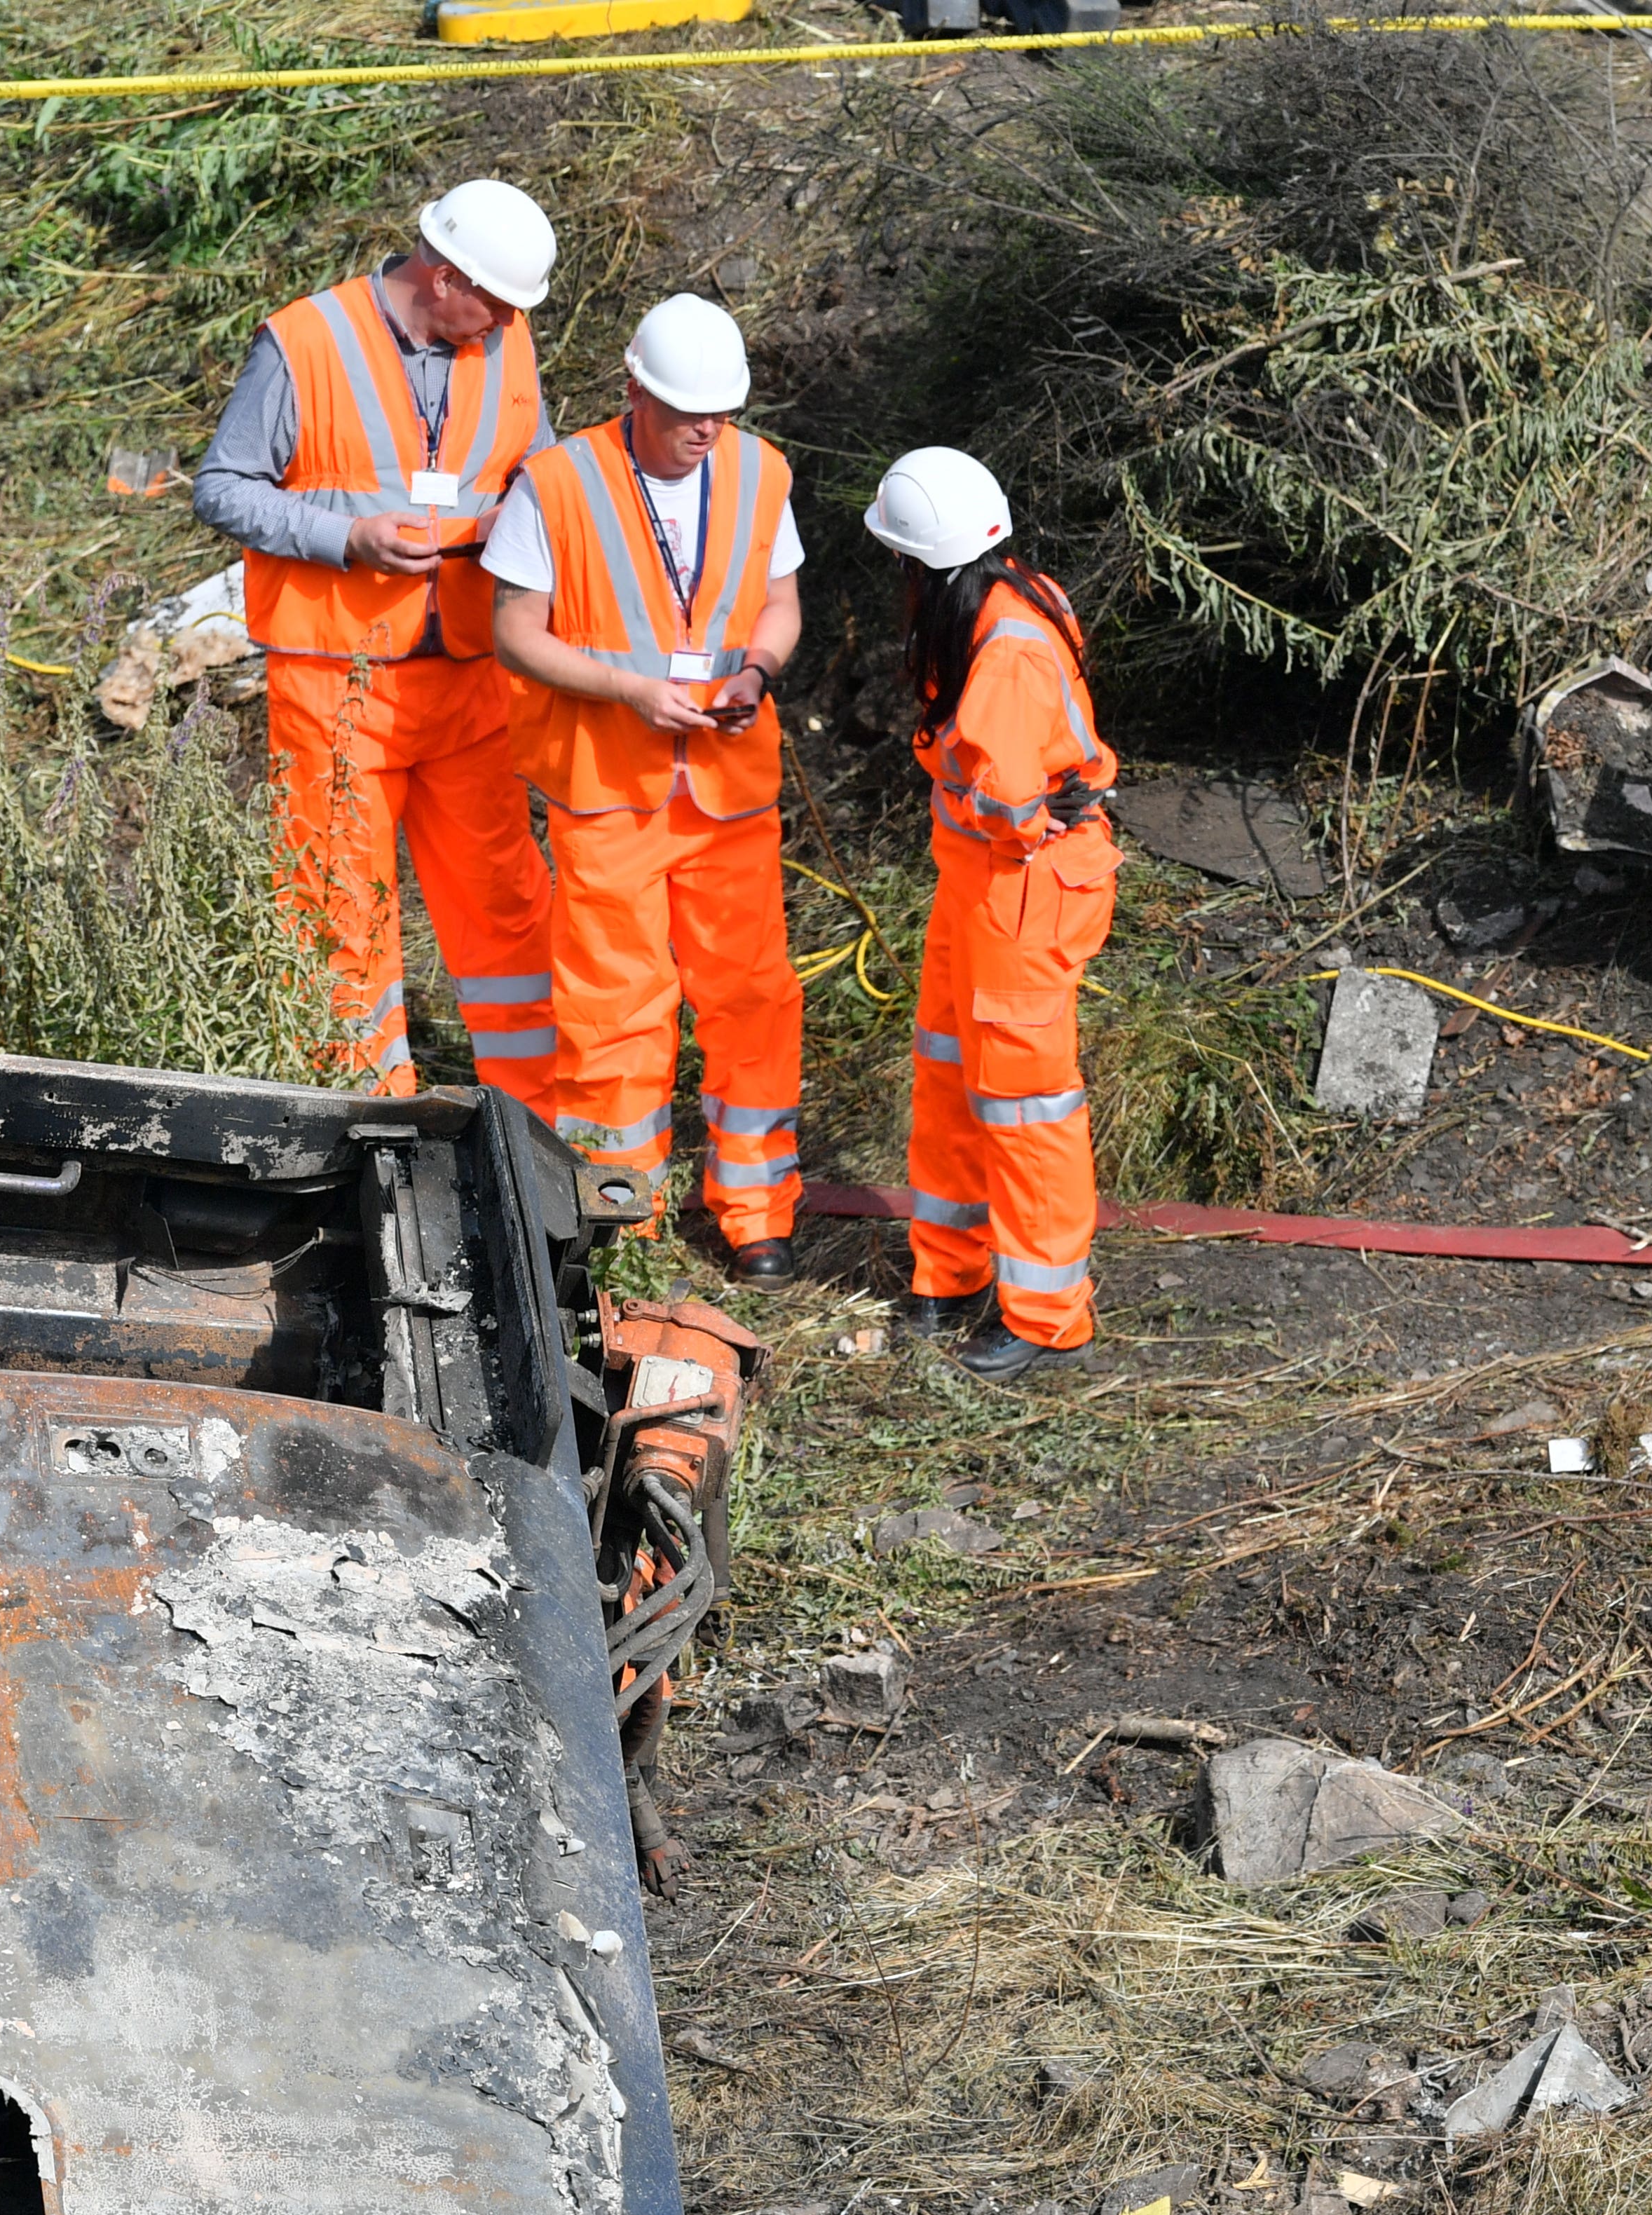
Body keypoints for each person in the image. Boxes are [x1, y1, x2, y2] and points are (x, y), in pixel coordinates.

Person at [193, 179, 561, 1114]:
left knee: (508, 903)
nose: (506, 324)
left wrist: (523, 526)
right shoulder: (304, 342)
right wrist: (347, 539)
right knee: (336, 912)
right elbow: (224, 487)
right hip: (336, 688)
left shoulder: (507, 338)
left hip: (468, 684)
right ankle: (362, 1121)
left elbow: (540, 473)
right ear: (444, 278)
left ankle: (535, 1122)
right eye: (495, 304)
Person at [482, 294, 806, 1277]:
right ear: (634, 390)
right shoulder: (557, 484)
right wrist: (629, 690)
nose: (706, 431)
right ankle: (621, 1219)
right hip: (606, 789)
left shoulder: (760, 472)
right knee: (612, 1009)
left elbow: (781, 605)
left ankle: (759, 1211)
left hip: (727, 788)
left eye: (720, 413)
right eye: (685, 413)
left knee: (753, 997)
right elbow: (515, 633)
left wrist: (757, 674)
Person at [861, 446, 1119, 1379]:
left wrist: (983, 802)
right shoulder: (1006, 602)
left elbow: (1010, 807)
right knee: (949, 1074)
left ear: (915, 563)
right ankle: (952, 1270)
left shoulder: (1004, 650)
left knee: (1023, 1105)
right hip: (983, 885)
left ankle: (1047, 1314)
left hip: (1024, 888)